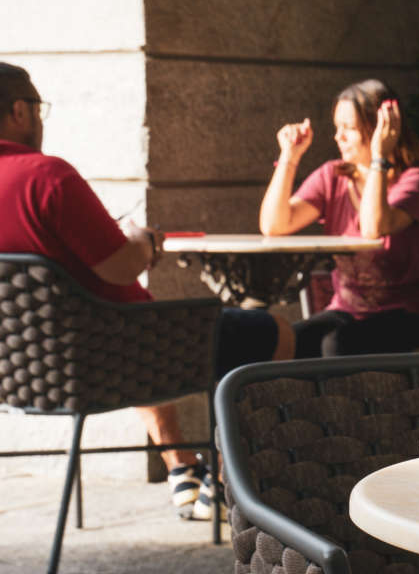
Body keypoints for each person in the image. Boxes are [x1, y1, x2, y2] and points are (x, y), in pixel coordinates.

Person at [0, 63, 293, 520]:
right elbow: (121, 268)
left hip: (21, 370)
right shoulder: (46, 177)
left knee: (136, 328)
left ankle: (182, 468)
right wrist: (144, 243)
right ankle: (226, 484)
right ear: (20, 111)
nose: (40, 120)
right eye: (38, 109)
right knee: (273, 331)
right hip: (110, 356)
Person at [260, 79, 419, 358]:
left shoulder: (416, 181)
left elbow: (373, 227)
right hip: (347, 311)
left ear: (381, 128)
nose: (338, 137)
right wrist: (289, 157)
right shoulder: (333, 176)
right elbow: (274, 225)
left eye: (349, 128)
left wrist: (379, 156)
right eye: (337, 127)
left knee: (336, 344)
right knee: (284, 344)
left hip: (410, 314)